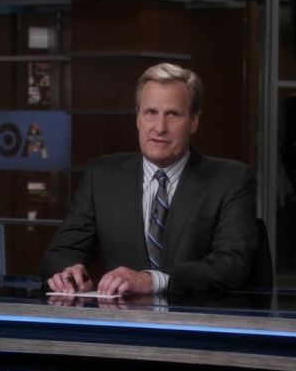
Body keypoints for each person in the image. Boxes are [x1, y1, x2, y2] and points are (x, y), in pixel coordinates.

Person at [43, 63, 257, 296]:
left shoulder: (230, 180)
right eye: (151, 113)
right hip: (121, 316)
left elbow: (232, 265)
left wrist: (152, 280)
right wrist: (68, 272)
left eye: (173, 114)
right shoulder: (101, 175)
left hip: (196, 313)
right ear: (138, 118)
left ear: (194, 121)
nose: (159, 127)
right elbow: (62, 251)